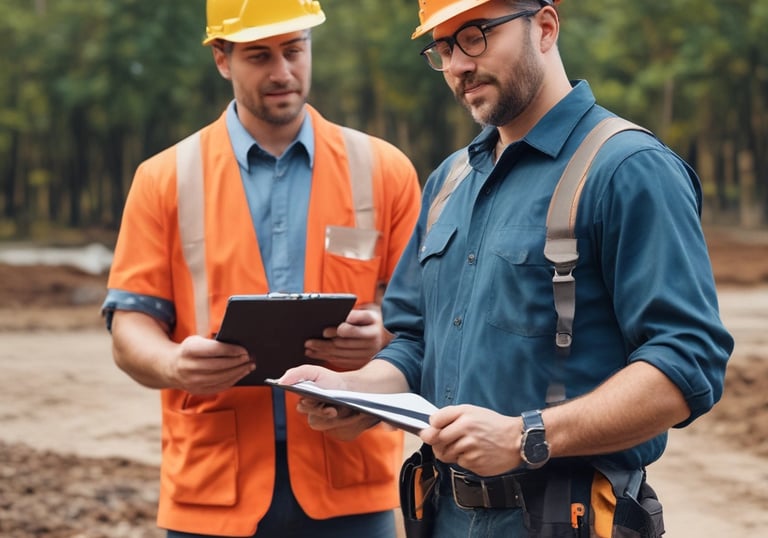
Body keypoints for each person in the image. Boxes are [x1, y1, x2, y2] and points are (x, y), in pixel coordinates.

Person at [280, 0, 734, 536]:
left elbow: (688, 362)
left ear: (544, 27)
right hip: (443, 514)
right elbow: (415, 344)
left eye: (474, 36)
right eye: (444, 48)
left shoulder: (628, 170)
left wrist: (527, 436)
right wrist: (357, 392)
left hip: (565, 518)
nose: (456, 65)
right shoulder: (449, 182)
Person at [100, 0, 421, 536]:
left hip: (351, 481)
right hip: (211, 488)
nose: (283, 72)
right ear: (221, 58)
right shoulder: (164, 179)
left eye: (295, 50)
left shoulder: (384, 170)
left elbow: (425, 313)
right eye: (259, 55)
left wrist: (381, 333)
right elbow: (131, 324)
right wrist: (177, 364)